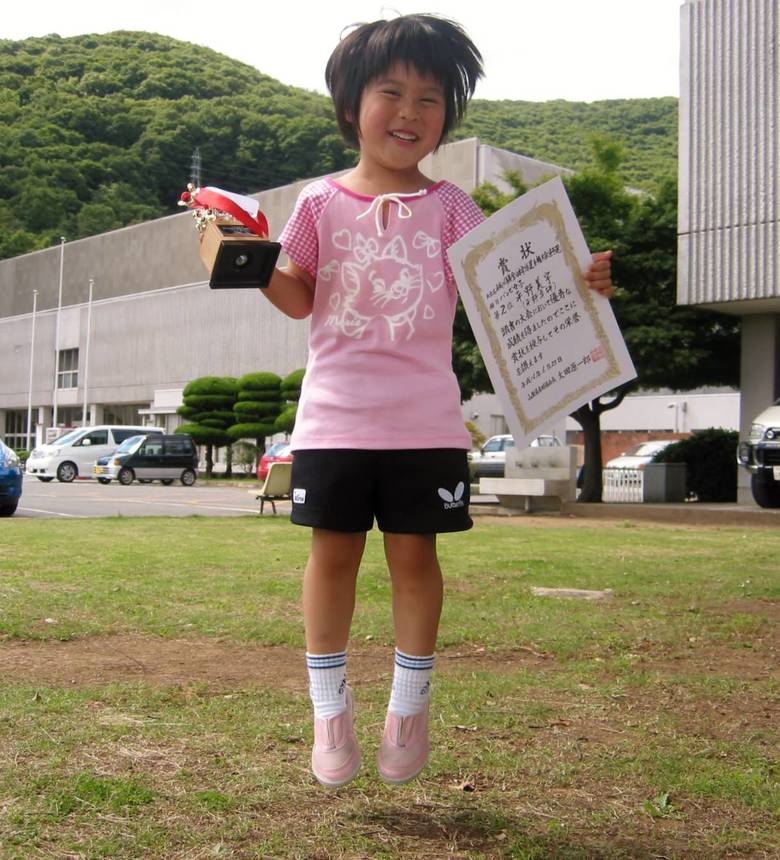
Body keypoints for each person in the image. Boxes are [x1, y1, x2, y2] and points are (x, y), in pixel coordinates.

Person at [261, 14, 614, 788]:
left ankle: (407, 708)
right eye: (391, 92)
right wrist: (244, 260)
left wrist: (579, 280)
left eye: (430, 98)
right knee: (333, 554)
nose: (410, 112)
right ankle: (330, 712)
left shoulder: (452, 207)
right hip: (334, 420)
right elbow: (295, 296)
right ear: (350, 104)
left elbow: (512, 283)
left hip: (426, 421)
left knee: (416, 556)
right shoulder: (319, 203)